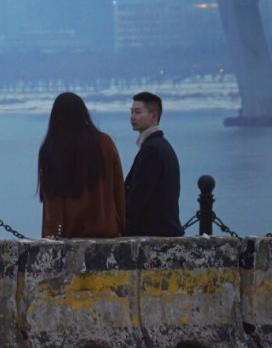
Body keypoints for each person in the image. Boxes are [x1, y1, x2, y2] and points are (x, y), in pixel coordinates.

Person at [38, 91, 125, 238]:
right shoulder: (105, 143)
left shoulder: (52, 148)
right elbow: (118, 190)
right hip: (107, 231)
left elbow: (53, 201)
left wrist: (52, 234)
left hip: (70, 234)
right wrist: (121, 225)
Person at [125, 91, 183, 237]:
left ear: (153, 115)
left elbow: (140, 195)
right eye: (131, 112)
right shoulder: (161, 145)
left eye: (138, 112)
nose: (132, 117)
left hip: (154, 231)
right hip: (162, 230)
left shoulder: (152, 149)